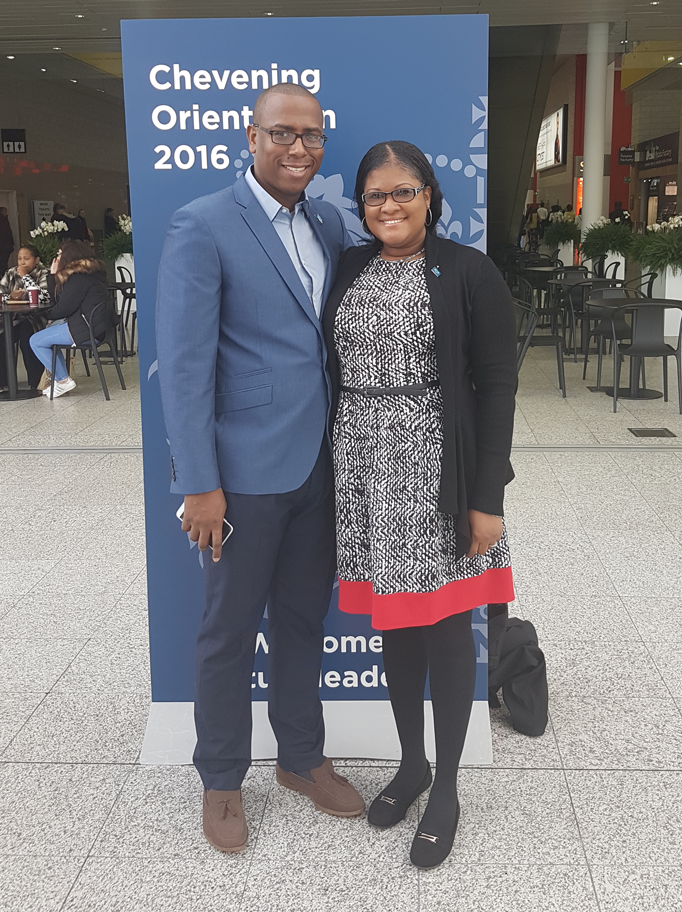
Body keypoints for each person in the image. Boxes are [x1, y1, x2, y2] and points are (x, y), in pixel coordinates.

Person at [155, 83, 364, 855]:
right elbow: (183, 368)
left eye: (312, 134)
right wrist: (199, 484)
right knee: (229, 630)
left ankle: (301, 759)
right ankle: (220, 778)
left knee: (306, 618)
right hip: (240, 474)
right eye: (283, 133)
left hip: (320, 465)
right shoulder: (204, 223)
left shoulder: (328, 221)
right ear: (250, 137)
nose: (300, 148)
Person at [322, 141, 517, 868]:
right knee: (393, 626)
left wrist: (486, 497)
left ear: (430, 195)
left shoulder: (469, 270)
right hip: (363, 468)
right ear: (362, 207)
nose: (390, 206)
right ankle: (411, 764)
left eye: (404, 192)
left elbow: (498, 387)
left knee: (443, 629)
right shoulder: (349, 266)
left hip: (441, 469)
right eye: (375, 196)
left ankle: (449, 786)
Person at [30, 240, 110, 398]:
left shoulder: (78, 277)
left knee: (35, 341)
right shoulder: (91, 273)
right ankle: (59, 380)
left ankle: (62, 380)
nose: (57, 257)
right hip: (99, 327)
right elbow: (63, 304)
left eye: (60, 253)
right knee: (49, 334)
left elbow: (63, 307)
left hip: (87, 329)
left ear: (68, 255)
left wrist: (47, 315)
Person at [0, 244, 49, 390]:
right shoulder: (10, 273)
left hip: (35, 317)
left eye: (26, 259)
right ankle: (1, 381)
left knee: (28, 336)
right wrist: (10, 296)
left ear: (37, 260)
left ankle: (36, 381)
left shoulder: (44, 273)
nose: (22, 262)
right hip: (12, 317)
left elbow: (44, 298)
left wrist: (25, 277)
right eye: (20, 258)